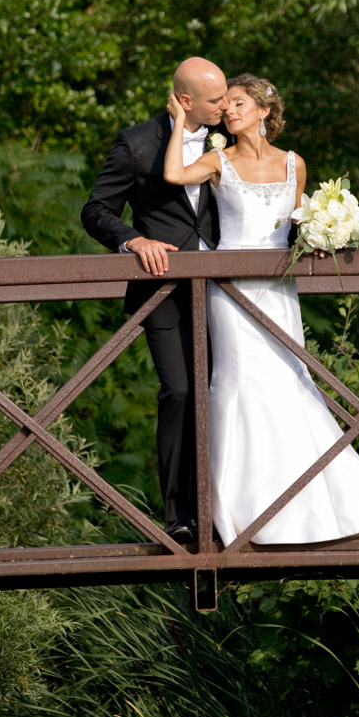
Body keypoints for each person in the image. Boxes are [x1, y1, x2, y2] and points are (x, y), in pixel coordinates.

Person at [164, 73, 359, 544]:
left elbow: (293, 226)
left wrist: (321, 237)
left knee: (290, 380)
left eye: (239, 103)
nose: (230, 111)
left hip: (278, 288)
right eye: (226, 105)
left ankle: (323, 511)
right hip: (229, 289)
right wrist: (176, 122)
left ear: (265, 111)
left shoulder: (295, 164)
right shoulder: (218, 159)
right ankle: (235, 515)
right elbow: (172, 175)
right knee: (236, 382)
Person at [80, 57, 291, 544]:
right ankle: (179, 516)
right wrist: (134, 241)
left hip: (225, 293)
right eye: (217, 100)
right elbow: (95, 210)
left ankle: (224, 508)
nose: (226, 106)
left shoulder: (231, 142)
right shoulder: (137, 143)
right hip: (164, 293)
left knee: (228, 395)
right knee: (179, 391)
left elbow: (265, 200)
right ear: (185, 100)